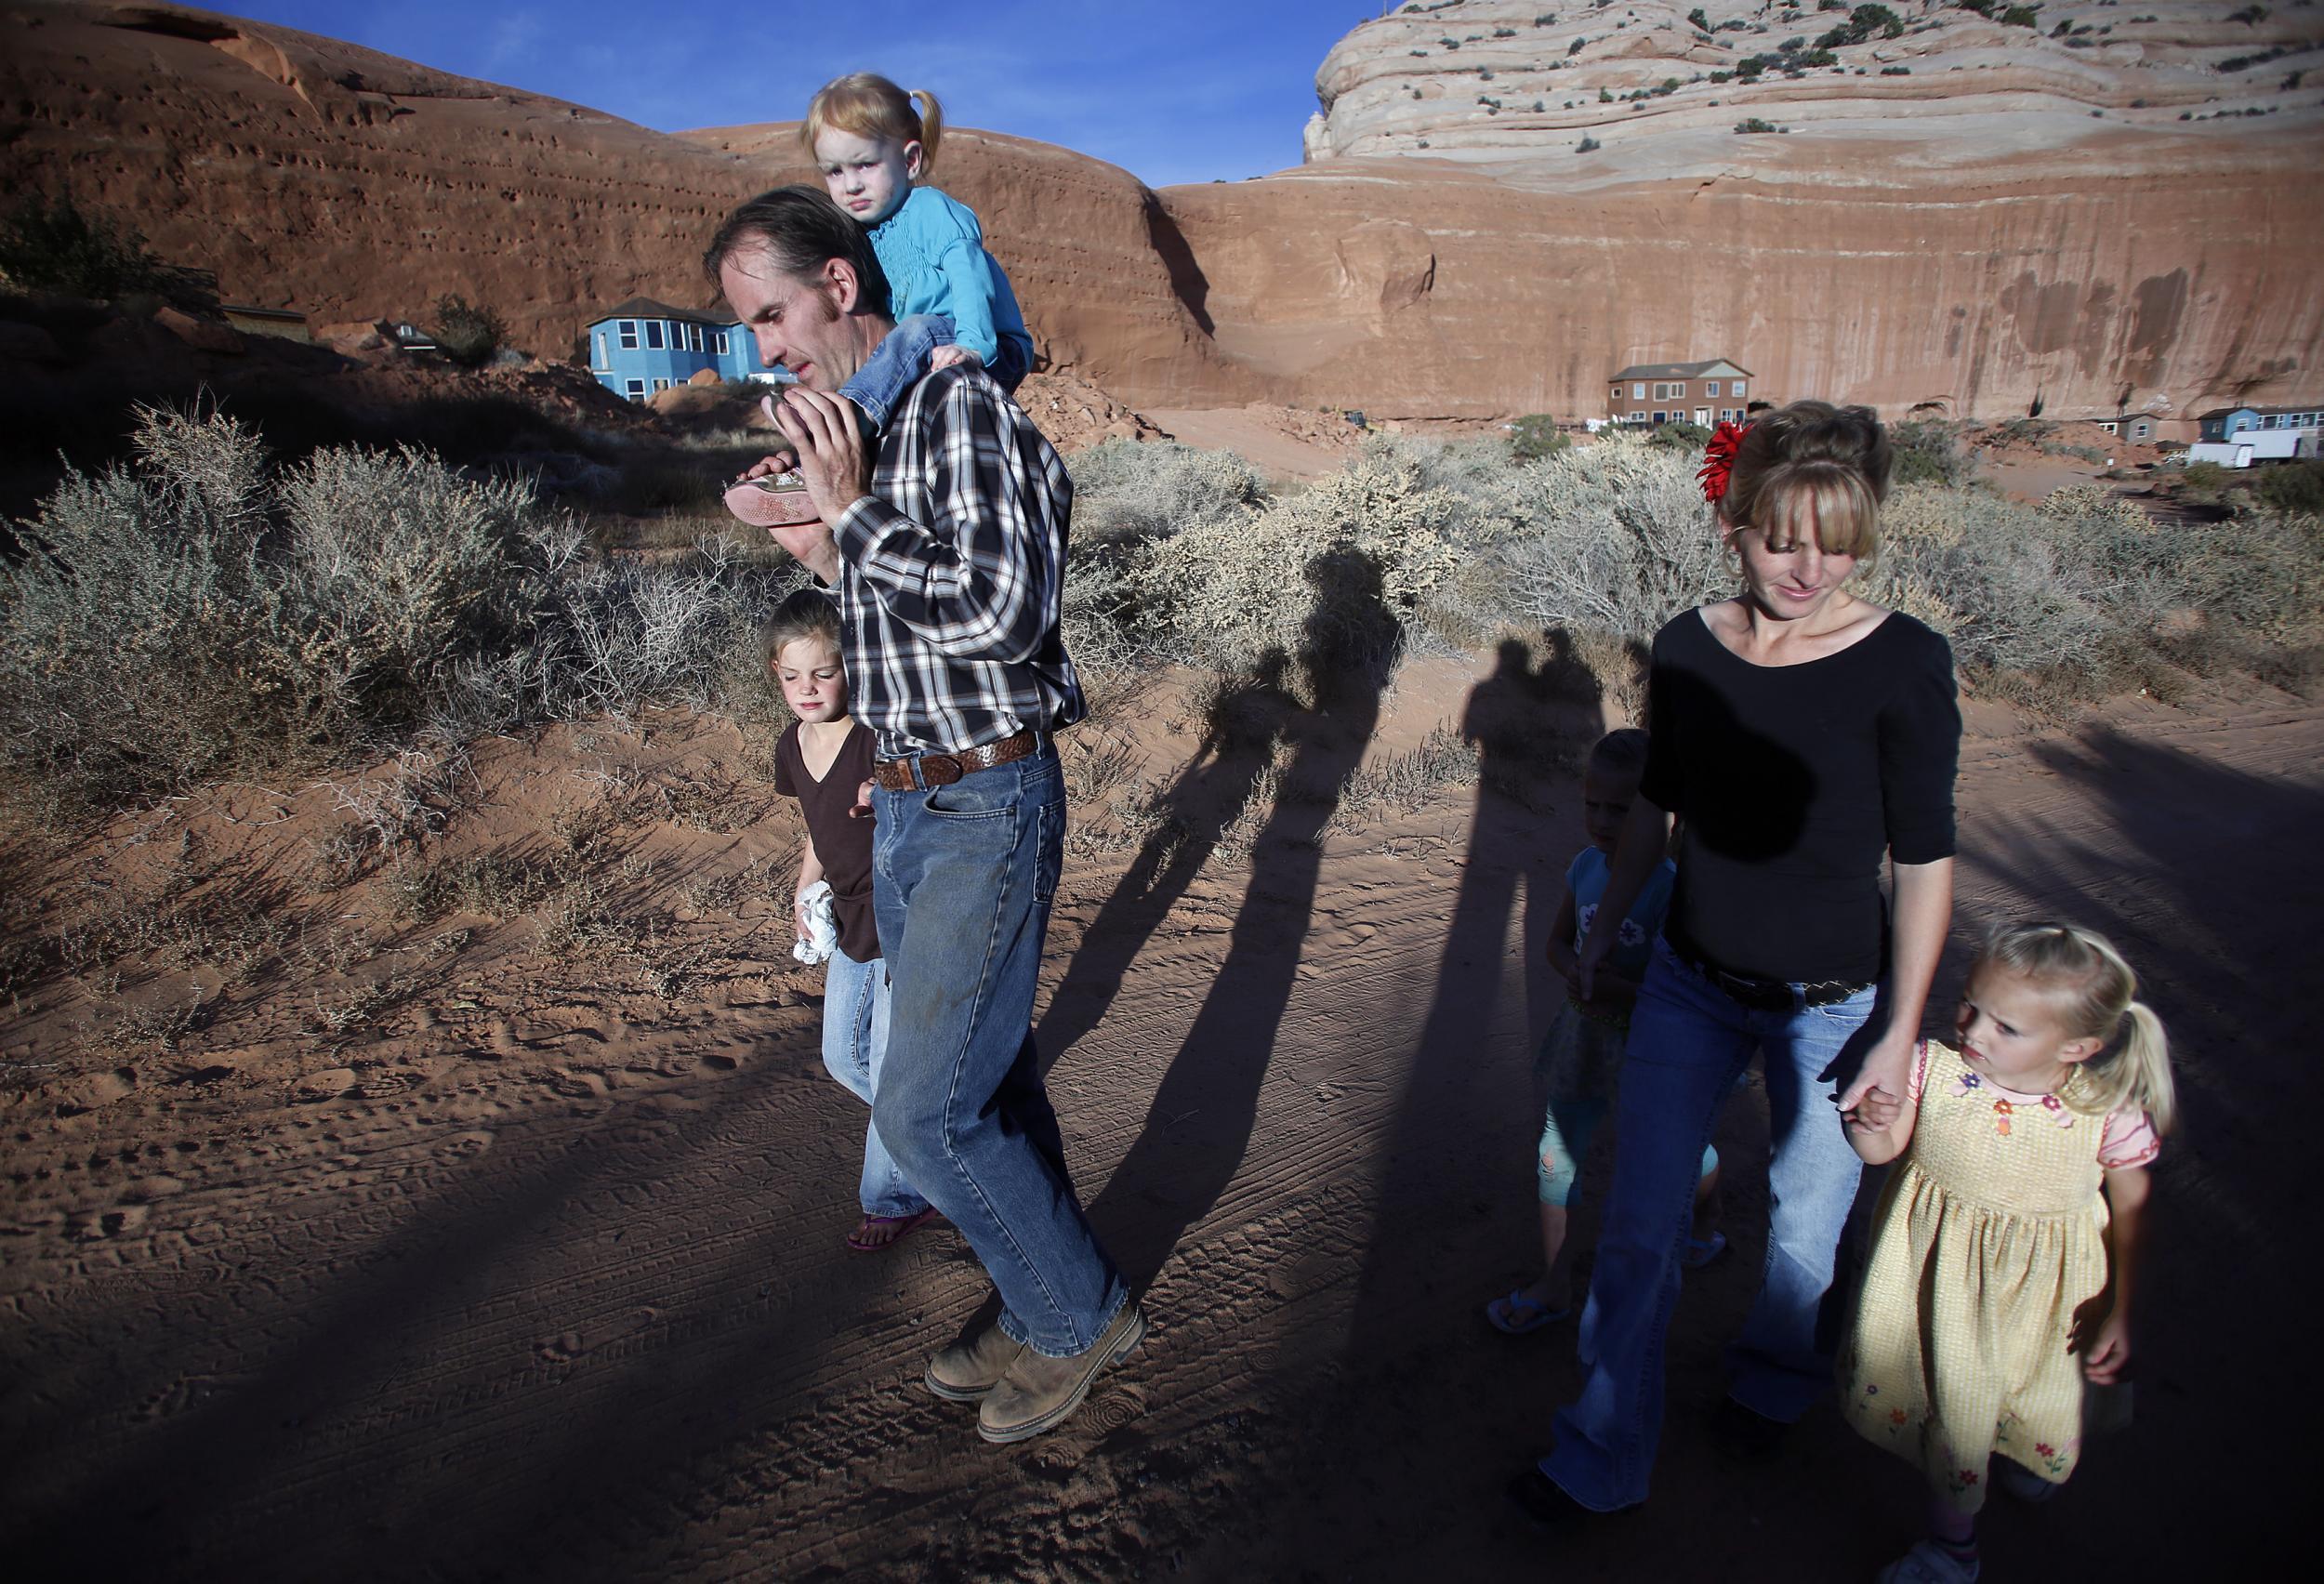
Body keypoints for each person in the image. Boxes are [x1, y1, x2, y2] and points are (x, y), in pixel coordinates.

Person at [705, 185, 1139, 1445]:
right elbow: (904, 613)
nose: (767, 349)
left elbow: (1003, 621)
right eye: (749, 330)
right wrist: (813, 544)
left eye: (773, 314)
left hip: (982, 795)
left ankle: (1079, 1316)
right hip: (904, 797)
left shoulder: (959, 413)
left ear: (841, 286)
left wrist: (849, 512)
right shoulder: (870, 429)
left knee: (927, 1111)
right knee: (989, 1085)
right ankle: (1040, 1290)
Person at [1510, 402, 1962, 1520]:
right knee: (1638, 1225)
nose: (1807, 567)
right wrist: (1614, 918)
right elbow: (1658, 801)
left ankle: (1773, 1380)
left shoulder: (1906, 662)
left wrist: (1900, 1031)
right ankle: (1601, 1451)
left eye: (1837, 540)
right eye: (1780, 537)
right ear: (1734, 521)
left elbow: (1923, 860)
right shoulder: (1686, 643)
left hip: (1834, 1006)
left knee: (1805, 1230)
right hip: (1689, 983)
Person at [1838, 922, 2170, 1584]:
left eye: (2006, 1028)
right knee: (1957, 1410)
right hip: (1944, 1290)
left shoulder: (2106, 1109)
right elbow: (1881, 1151)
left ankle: (2026, 1457)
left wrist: (2124, 1310)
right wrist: (1866, 1123)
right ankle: (1955, 1547)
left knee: (2034, 1392)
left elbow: (2132, 1207)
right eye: (1970, 1004)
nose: (1973, 1031)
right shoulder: (1932, 1069)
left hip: (2050, 1300)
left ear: (2080, 1045)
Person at [1485, 729, 1727, 1336]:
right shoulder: (1584, 867)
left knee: (1685, 1149)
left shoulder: (1673, 888)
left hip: (1651, 1045)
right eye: (1592, 804)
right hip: (1585, 1035)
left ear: (1659, 815)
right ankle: (1555, 1284)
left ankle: (1705, 1224)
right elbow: (1556, 944)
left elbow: (1688, 987)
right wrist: (1575, 971)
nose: (1601, 819)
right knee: (1556, 1155)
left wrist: (1619, 988)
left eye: (1620, 809)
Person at [764, 589, 937, 1254]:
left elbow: (932, 792)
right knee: (844, 1056)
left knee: (892, 1066)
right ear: (775, 676)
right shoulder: (792, 744)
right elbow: (815, 827)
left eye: (824, 672)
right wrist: (803, 889)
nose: (808, 689)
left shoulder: (879, 734)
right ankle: (934, 1130)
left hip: (902, 912)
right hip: (846, 918)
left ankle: (895, 1197)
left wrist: (891, 788)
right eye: (792, 676)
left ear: (853, 667)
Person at [801, 73, 1031, 430]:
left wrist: (973, 345)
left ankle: (847, 424)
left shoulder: (930, 210)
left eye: (865, 164)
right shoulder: (864, 233)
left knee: (915, 330)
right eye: (834, 171)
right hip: (931, 347)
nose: (851, 184)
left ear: (910, 161)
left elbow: (970, 276)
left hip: (993, 346)